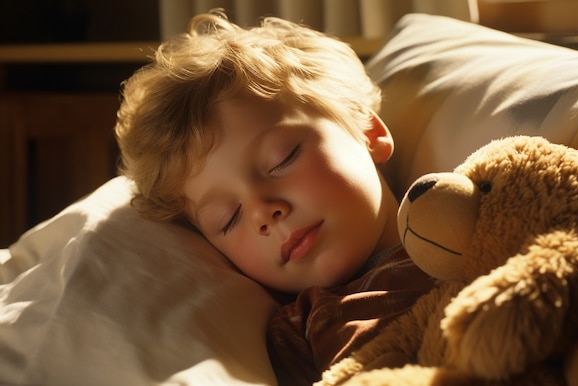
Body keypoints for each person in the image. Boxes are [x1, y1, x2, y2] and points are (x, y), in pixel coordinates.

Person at [114, 10, 434, 385]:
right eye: (228, 218)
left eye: (283, 159)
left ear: (367, 130)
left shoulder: (477, 218)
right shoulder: (296, 336)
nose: (263, 212)